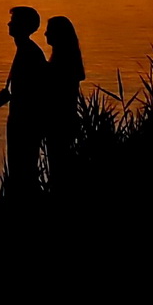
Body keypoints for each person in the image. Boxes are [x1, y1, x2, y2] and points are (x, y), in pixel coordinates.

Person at [0, 6, 46, 203]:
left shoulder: (30, 53)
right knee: (20, 166)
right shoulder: (25, 50)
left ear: (24, 26)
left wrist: (12, 98)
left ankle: (24, 204)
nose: (9, 23)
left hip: (26, 121)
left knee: (23, 166)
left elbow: (33, 92)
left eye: (13, 21)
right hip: (20, 118)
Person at [44, 16, 85, 190]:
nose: (45, 33)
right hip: (67, 119)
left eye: (49, 30)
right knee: (61, 162)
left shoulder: (61, 61)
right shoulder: (64, 58)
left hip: (61, 121)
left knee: (58, 163)